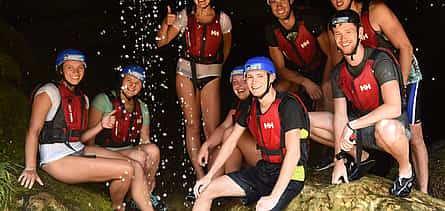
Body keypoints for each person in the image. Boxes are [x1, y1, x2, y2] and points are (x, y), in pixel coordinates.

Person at [18, 49, 154, 210]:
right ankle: (118, 207)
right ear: (60, 70)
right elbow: (33, 131)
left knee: (136, 166)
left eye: (80, 68)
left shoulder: (83, 99)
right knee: (126, 170)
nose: (76, 72)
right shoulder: (49, 92)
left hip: (78, 149)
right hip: (56, 159)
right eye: (70, 67)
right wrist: (30, 168)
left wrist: (100, 126)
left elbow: (80, 139)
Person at [329, 0, 428, 194]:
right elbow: (340, 65)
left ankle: (424, 191)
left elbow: (405, 47)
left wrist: (401, 87)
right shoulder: (338, 24)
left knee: (414, 134)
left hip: (402, 74)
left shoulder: (375, 11)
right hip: (374, 81)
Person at [193, 56, 310, 211]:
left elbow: (294, 154)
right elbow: (232, 140)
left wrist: (273, 197)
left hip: (292, 175)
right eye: (249, 77)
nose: (254, 83)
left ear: (272, 77)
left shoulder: (288, 105)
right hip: (264, 171)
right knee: (206, 191)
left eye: (260, 76)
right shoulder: (249, 105)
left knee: (264, 208)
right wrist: (209, 176)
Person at [156, 0, 232, 179]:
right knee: (192, 125)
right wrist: (165, 24)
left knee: (211, 129)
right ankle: (199, 174)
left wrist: (217, 68)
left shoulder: (223, 19)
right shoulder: (184, 16)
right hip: (185, 71)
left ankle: (213, 177)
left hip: (211, 73)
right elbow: (161, 42)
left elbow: (227, 47)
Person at [265, 0, 336, 171]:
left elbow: (331, 55)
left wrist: (321, 83)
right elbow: (281, 68)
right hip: (299, 75)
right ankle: (274, 149)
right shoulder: (272, 30)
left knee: (326, 89)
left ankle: (332, 152)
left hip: (323, 68)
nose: (279, 5)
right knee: (276, 91)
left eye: (282, 0)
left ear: (291, 1)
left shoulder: (309, 19)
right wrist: (306, 83)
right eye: (273, 1)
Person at [87, 64, 163, 209]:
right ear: (121, 79)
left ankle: (142, 194)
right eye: (129, 80)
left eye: (137, 83)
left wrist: (150, 173)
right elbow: (89, 139)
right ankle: (126, 197)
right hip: (103, 150)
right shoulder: (103, 100)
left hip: (125, 150)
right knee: (140, 157)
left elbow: (145, 140)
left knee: (153, 150)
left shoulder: (142, 107)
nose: (132, 86)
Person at [197, 66, 261, 175]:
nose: (239, 86)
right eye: (235, 82)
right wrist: (206, 145)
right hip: (248, 154)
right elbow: (224, 126)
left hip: (264, 158)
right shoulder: (239, 104)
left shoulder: (259, 100)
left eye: (243, 81)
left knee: (230, 134)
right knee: (218, 150)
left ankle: (231, 181)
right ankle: (213, 187)